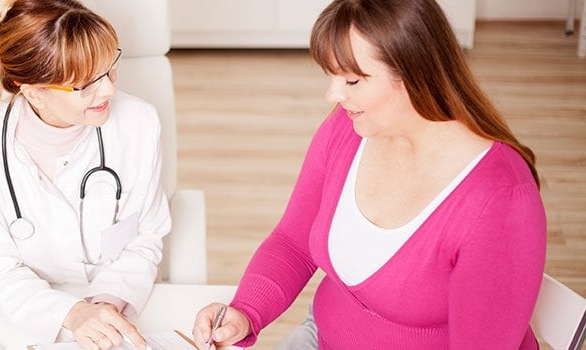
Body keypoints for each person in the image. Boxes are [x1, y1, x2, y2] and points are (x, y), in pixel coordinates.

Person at [192, 0, 546, 349]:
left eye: (352, 80)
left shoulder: (499, 199)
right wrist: (244, 312)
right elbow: (293, 242)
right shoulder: (348, 129)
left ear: (415, 72)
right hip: (324, 335)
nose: (333, 94)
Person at [0, 0, 171, 349]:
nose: (108, 89)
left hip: (120, 304)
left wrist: (106, 305)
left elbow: (145, 236)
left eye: (109, 70)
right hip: (24, 318)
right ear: (33, 91)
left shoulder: (139, 124)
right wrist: (72, 314)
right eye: (86, 84)